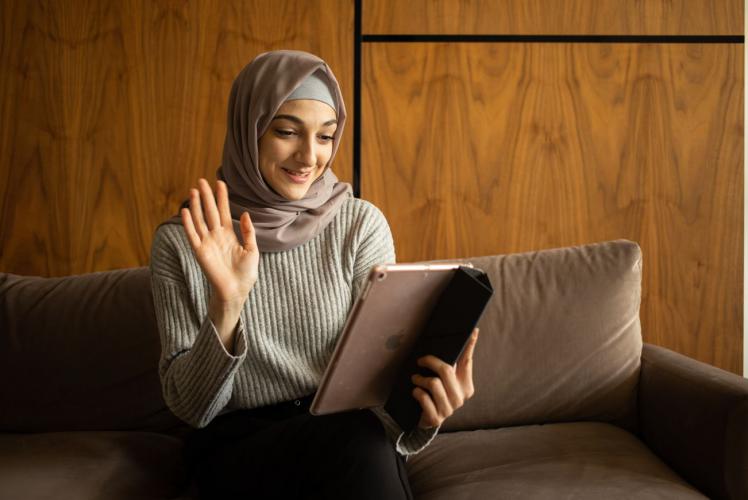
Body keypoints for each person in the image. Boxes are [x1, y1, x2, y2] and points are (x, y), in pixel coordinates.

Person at [149, 49, 479, 500]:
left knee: (358, 435)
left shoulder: (359, 225)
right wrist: (228, 303)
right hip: (240, 449)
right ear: (249, 130)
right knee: (356, 438)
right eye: (287, 132)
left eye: (325, 137)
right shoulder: (183, 241)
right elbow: (192, 409)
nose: (309, 157)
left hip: (348, 438)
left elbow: (378, 386)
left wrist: (424, 414)